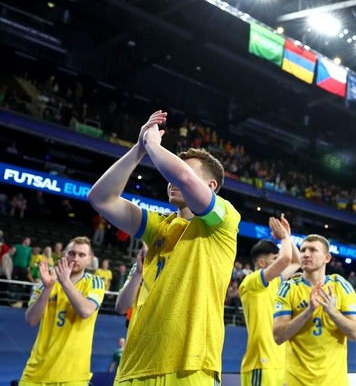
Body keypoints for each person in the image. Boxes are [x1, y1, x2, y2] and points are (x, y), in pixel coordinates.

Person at [87, 110, 240, 386]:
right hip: (134, 367)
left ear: (211, 185)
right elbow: (101, 199)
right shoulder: (158, 226)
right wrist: (138, 149)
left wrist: (153, 145)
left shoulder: (224, 219)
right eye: (172, 177)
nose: (173, 181)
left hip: (188, 367)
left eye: (185, 173)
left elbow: (183, 177)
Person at [273, 234, 356, 386]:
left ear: (327, 258)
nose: (306, 254)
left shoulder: (341, 286)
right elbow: (278, 336)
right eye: (303, 250)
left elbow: (354, 333)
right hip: (296, 381)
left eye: (313, 250)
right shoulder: (288, 288)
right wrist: (309, 310)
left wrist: (331, 311)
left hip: (334, 382)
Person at [20, 236, 105, 385]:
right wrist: (48, 288)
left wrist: (65, 282)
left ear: (89, 259)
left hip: (73, 376)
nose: (75, 258)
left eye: (81, 255)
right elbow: (31, 320)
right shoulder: (46, 282)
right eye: (71, 253)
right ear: (64, 255)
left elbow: (85, 311)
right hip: (36, 373)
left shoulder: (94, 282)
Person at [239, 214, 300, 386]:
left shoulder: (275, 282)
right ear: (261, 262)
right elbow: (286, 259)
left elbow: (296, 262)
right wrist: (284, 238)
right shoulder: (251, 282)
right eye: (274, 259)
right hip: (261, 364)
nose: (278, 262)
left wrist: (289, 236)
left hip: (279, 364)